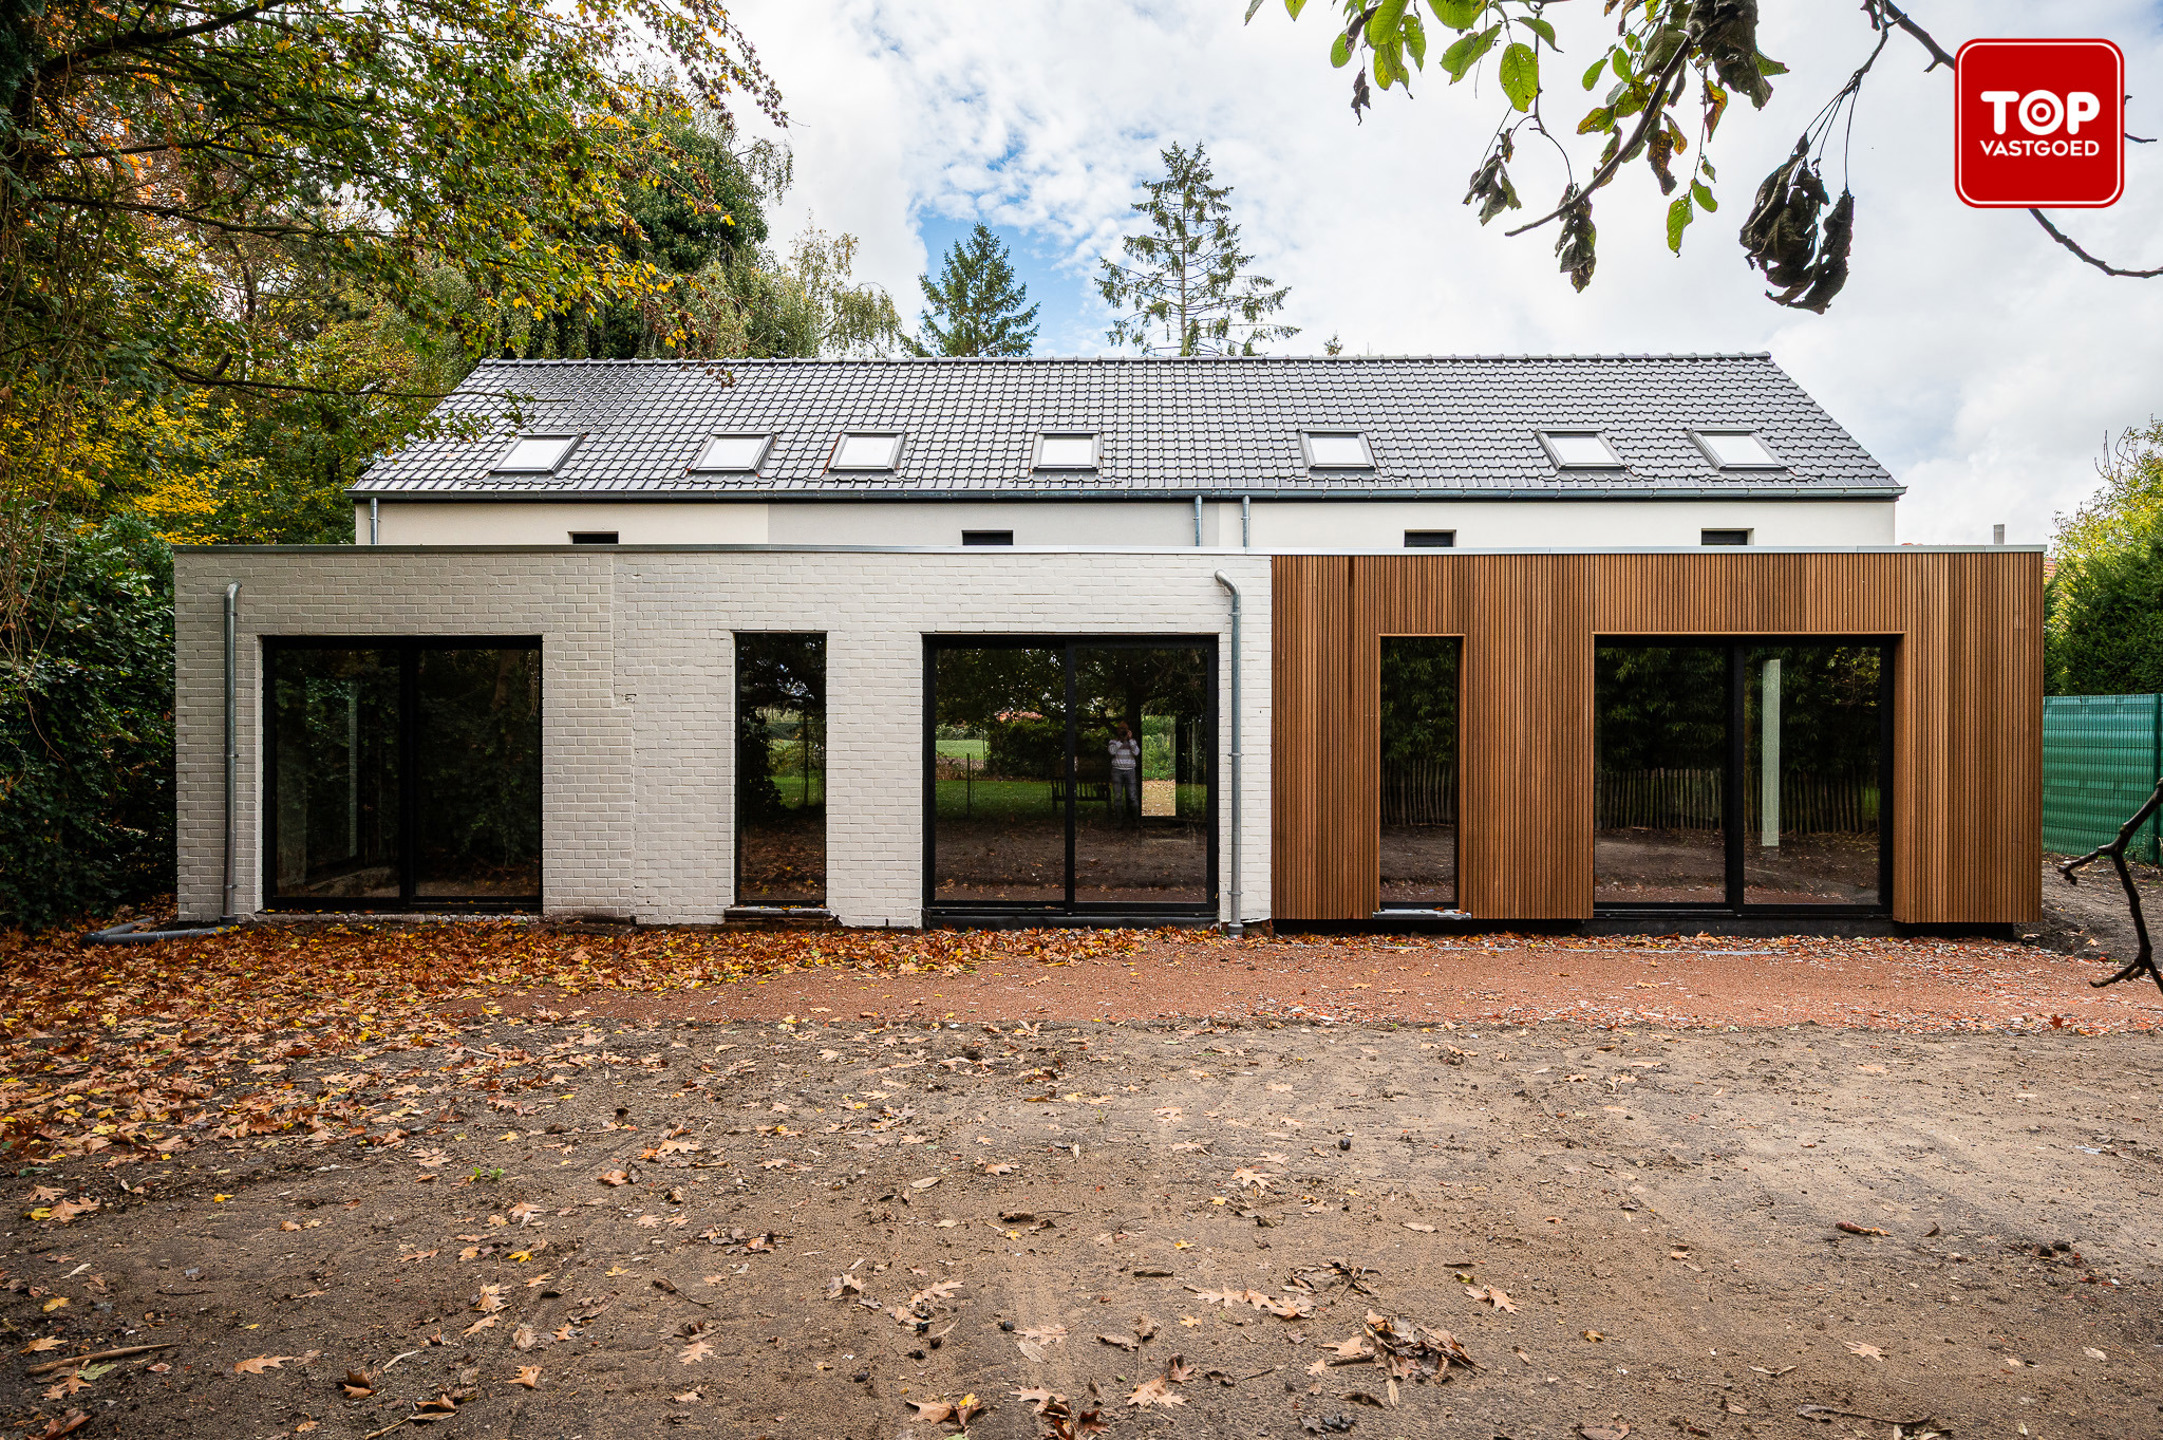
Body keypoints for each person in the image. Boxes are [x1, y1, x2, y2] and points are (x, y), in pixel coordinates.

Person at [1108, 721, 1141, 827]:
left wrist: (1130, 739)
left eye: (1124, 730)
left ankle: (1135, 820)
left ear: (1128, 731)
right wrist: (1120, 741)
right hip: (1117, 771)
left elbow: (1136, 752)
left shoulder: (1133, 742)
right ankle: (1119, 821)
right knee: (1117, 797)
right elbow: (1112, 752)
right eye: (1120, 729)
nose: (1122, 732)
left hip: (1130, 770)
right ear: (1117, 731)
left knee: (1132, 796)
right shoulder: (1113, 741)